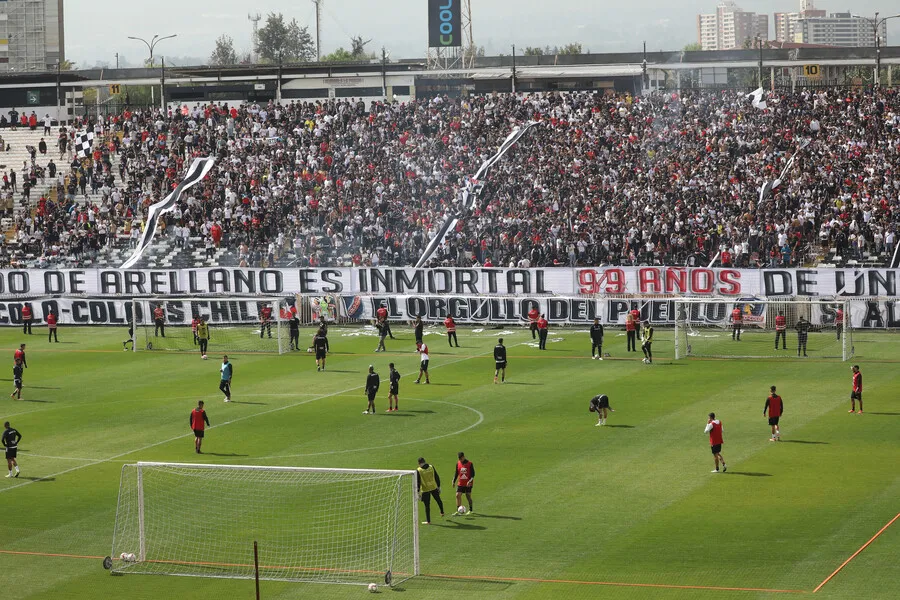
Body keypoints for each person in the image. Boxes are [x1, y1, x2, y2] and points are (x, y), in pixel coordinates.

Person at [416, 457, 445, 525]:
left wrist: (417, 492)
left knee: (427, 506)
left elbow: (418, 482)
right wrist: (439, 486)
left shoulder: (419, 470)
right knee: (438, 500)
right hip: (434, 487)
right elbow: (436, 476)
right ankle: (442, 512)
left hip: (425, 489)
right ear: (425, 461)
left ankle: (428, 521)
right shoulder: (431, 467)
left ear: (419, 463)